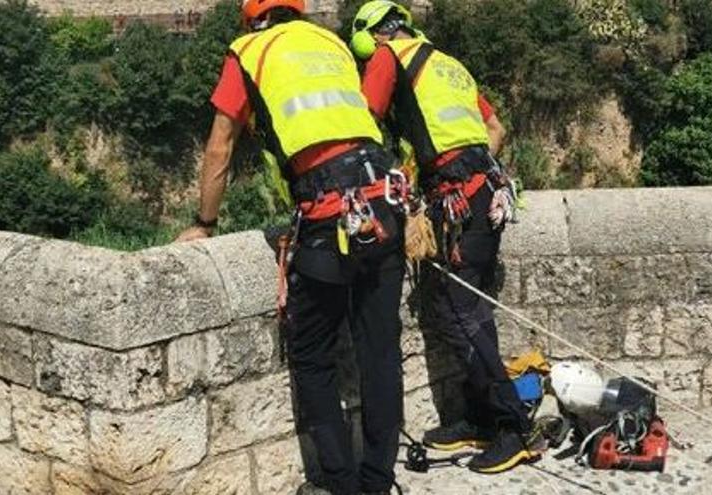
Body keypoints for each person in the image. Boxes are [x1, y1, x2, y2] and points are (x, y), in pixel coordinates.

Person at [175, 1, 406, 493]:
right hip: (382, 197)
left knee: (310, 352)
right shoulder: (332, 43)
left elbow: (221, 146)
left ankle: (340, 484)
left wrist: (204, 222)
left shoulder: (249, 50)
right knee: (381, 350)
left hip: (327, 211)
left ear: (253, 16)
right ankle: (378, 481)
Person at [348, 0, 537, 475]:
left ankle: (513, 427)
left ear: (373, 38)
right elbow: (494, 129)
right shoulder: (448, 64)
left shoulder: (390, 57)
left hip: (458, 198)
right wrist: (465, 170)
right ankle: (477, 419)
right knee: (459, 308)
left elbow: (364, 119)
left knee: (460, 314)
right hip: (481, 192)